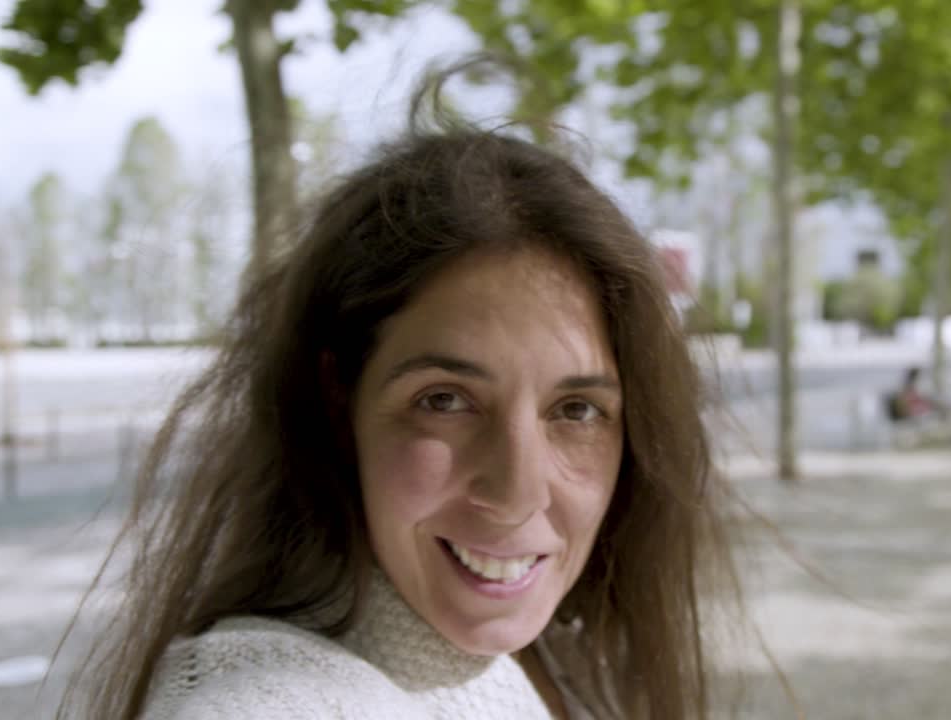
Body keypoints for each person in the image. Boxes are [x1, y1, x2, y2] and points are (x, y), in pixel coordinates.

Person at [57, 59, 748, 720]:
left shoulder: (552, 658)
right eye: (445, 400)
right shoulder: (262, 702)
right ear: (337, 396)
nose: (518, 492)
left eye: (576, 410)